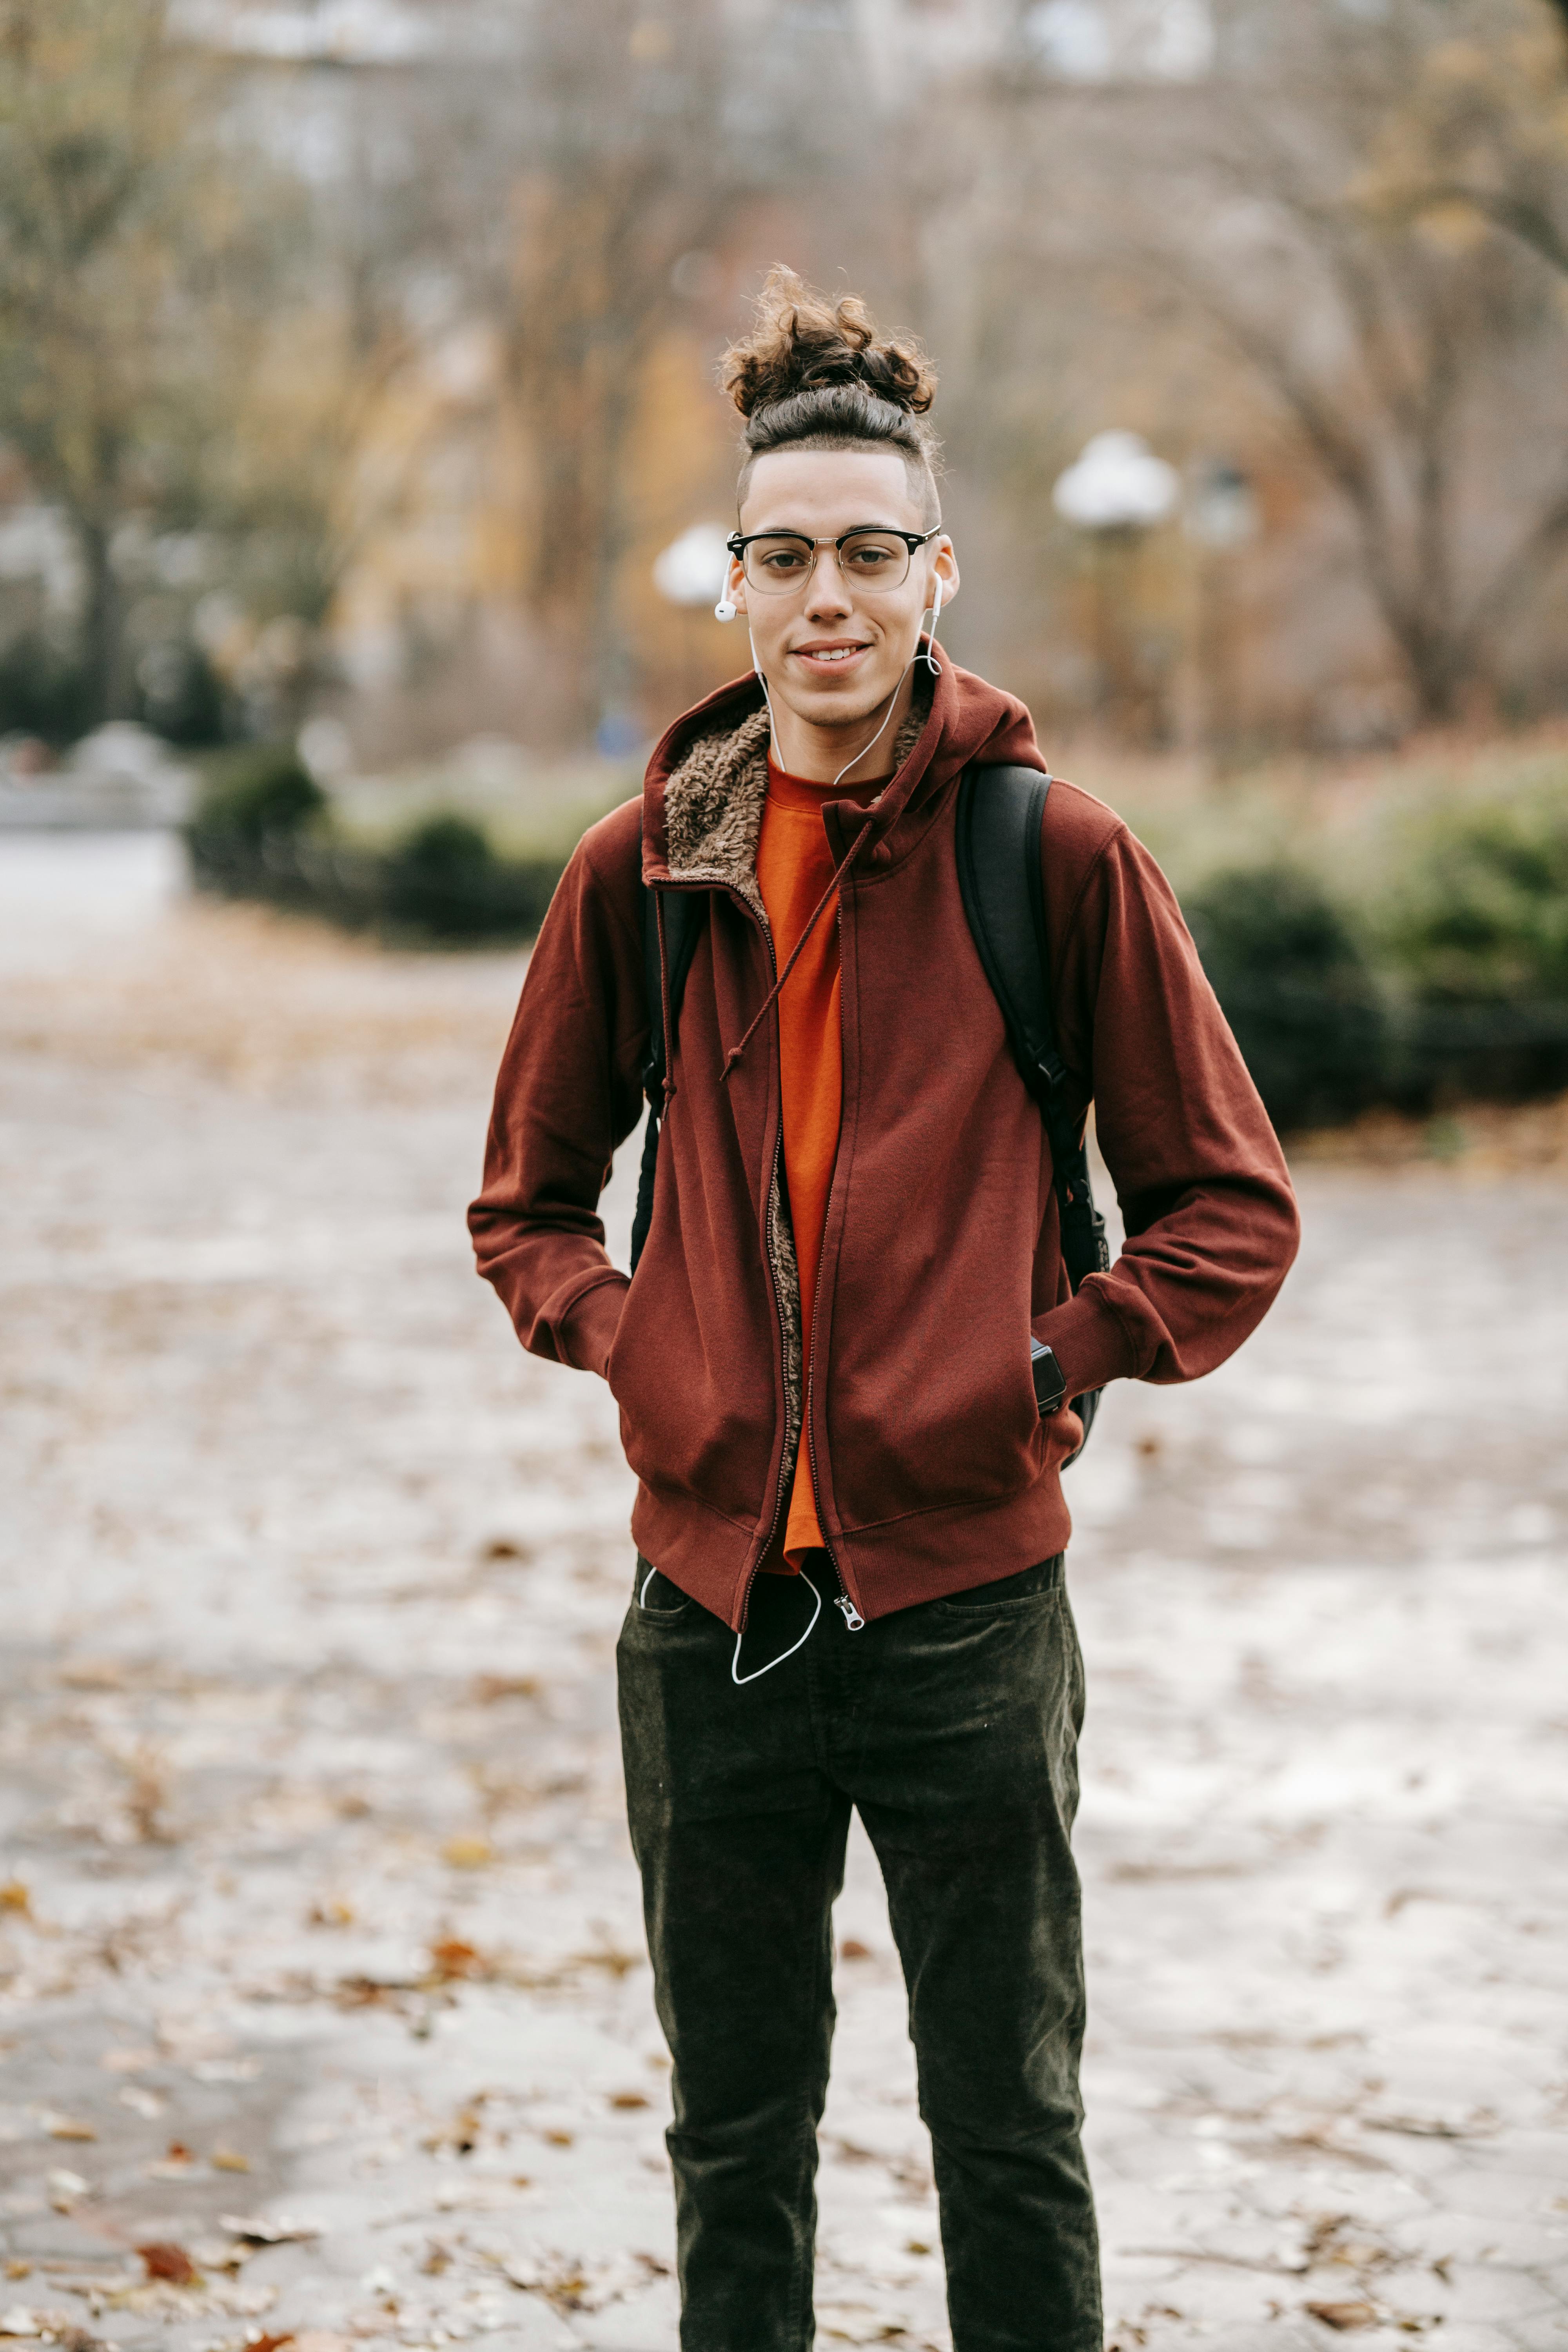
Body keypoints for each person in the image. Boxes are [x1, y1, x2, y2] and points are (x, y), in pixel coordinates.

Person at [470, 267, 1299, 2352]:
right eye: (780, 556)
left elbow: (1229, 1207)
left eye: (865, 553)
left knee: (1009, 2130)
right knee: (733, 2140)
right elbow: (525, 1209)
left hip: (971, 1613)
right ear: (730, 589)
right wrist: (640, 1344)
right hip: (711, 1614)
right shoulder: (639, 871)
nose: (822, 597)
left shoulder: (1060, 858)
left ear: (937, 574)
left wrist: (1055, 1357)